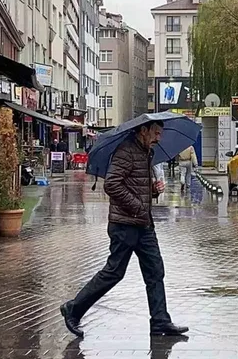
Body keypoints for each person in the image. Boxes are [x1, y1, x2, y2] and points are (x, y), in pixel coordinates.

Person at [60, 120, 188, 338]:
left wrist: (153, 191)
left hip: (143, 224)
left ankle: (160, 321)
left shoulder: (146, 152)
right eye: (156, 133)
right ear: (143, 131)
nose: (159, 138)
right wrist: (137, 206)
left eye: (161, 134)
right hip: (124, 225)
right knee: (114, 273)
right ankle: (73, 308)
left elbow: (136, 185)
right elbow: (112, 184)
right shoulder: (126, 151)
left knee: (155, 271)